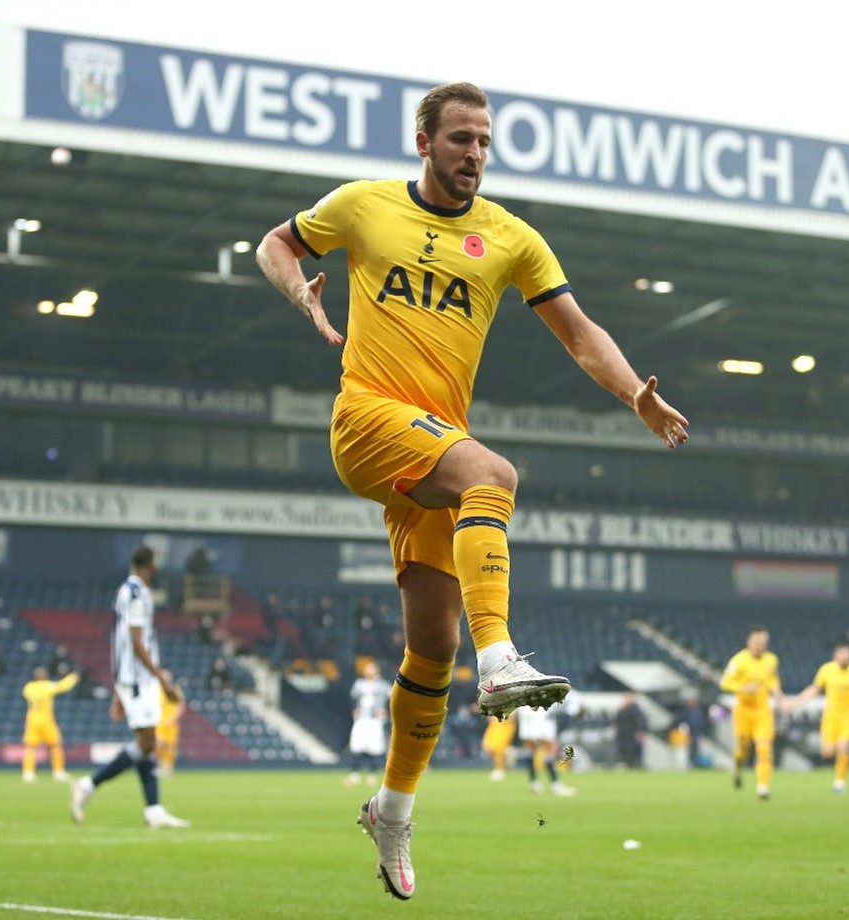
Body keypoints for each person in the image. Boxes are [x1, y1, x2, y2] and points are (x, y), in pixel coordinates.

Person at [256, 80, 689, 900]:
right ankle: (502, 662)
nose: (475, 154)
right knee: (494, 474)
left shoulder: (513, 239)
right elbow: (274, 242)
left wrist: (633, 392)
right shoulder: (363, 206)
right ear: (423, 142)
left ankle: (391, 810)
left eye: (484, 140)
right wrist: (301, 292)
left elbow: (579, 332)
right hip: (367, 418)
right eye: (460, 138)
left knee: (430, 648)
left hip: (428, 454)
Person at [70, 546, 189, 829]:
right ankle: (89, 784)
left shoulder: (128, 592)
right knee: (147, 743)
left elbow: (123, 641)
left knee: (147, 745)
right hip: (138, 680)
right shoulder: (136, 594)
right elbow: (136, 642)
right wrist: (161, 677)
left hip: (132, 679)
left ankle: (153, 810)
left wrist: (118, 687)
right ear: (149, 564)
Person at [782, 640, 849, 794]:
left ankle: (840, 782)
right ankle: (838, 772)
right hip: (831, 717)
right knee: (828, 752)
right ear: (835, 654)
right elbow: (814, 689)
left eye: (848, 653)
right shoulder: (827, 670)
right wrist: (793, 703)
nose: (845, 656)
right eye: (842, 653)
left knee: (843, 746)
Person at [720, 627, 782, 799]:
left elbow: (772, 679)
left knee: (764, 748)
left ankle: (763, 787)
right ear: (749, 641)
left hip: (763, 711)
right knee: (742, 750)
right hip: (743, 711)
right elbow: (724, 682)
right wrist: (742, 687)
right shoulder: (738, 661)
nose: (760, 646)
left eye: (763, 643)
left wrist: (778, 694)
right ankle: (738, 769)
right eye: (757, 642)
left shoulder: (771, 660)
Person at [21, 666, 79, 782]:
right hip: (46, 719)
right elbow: (62, 686)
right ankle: (58, 771)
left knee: (31, 747)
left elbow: (26, 695)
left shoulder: (29, 687)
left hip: (32, 719)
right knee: (56, 745)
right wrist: (72, 678)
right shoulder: (47, 686)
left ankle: (28, 773)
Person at [515, 700, 576, 796]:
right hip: (540, 710)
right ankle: (555, 785)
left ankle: (534, 784)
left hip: (525, 708)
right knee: (550, 747)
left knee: (531, 749)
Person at [345, 660, 388, 787]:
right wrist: (354, 709)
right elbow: (352, 698)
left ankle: (372, 774)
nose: (368, 671)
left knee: (374, 748)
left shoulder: (383, 685)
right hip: (362, 719)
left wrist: (385, 712)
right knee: (357, 746)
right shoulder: (359, 684)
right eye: (367, 668)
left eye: (371, 668)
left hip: (375, 721)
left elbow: (392, 698)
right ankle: (354, 774)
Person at [156, 669, 186, 777]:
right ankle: (159, 765)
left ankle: (168, 767)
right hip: (159, 722)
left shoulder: (175, 689)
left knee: (171, 745)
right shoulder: (156, 689)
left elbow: (181, 705)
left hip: (172, 723)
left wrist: (173, 718)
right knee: (159, 744)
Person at [482, 708, 517, 780]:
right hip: (495, 726)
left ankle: (500, 769)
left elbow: (513, 716)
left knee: (498, 748)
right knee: (490, 746)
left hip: (505, 726)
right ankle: (505, 763)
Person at [613, 692, 647, 768]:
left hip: (633, 736)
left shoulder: (636, 710)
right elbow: (617, 722)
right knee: (625, 755)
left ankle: (636, 767)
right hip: (624, 736)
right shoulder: (622, 711)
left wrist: (640, 732)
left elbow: (641, 723)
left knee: (634, 755)